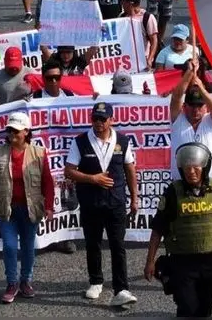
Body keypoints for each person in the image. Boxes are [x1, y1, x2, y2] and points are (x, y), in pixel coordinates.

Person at [144, 143, 212, 317]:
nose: (191, 171)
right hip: (183, 262)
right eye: (187, 167)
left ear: (205, 167)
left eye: (196, 167)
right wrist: (150, 261)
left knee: (206, 308)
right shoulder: (173, 192)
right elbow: (158, 229)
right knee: (187, 307)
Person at [64, 101, 139, 307]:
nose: (98, 123)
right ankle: (96, 281)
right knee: (93, 244)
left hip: (115, 203)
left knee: (118, 245)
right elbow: (69, 171)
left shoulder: (122, 141)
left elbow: (130, 169)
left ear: (111, 120)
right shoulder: (80, 141)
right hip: (91, 202)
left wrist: (134, 197)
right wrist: (93, 179)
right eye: (95, 119)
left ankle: (121, 288)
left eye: (102, 119)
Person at [0, 112, 55, 304]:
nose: (12, 133)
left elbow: (48, 181)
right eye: (9, 129)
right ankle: (12, 283)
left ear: (26, 131)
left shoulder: (39, 153)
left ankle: (26, 281)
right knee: (9, 246)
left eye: (16, 130)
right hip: (8, 209)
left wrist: (49, 207)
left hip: (31, 209)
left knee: (28, 247)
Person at [169, 65, 212, 181]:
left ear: (206, 107)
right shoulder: (178, 119)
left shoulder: (211, 122)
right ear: (184, 106)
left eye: (199, 106)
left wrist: (201, 88)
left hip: (207, 184)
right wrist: (189, 72)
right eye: (192, 105)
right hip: (180, 184)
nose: (196, 110)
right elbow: (176, 98)